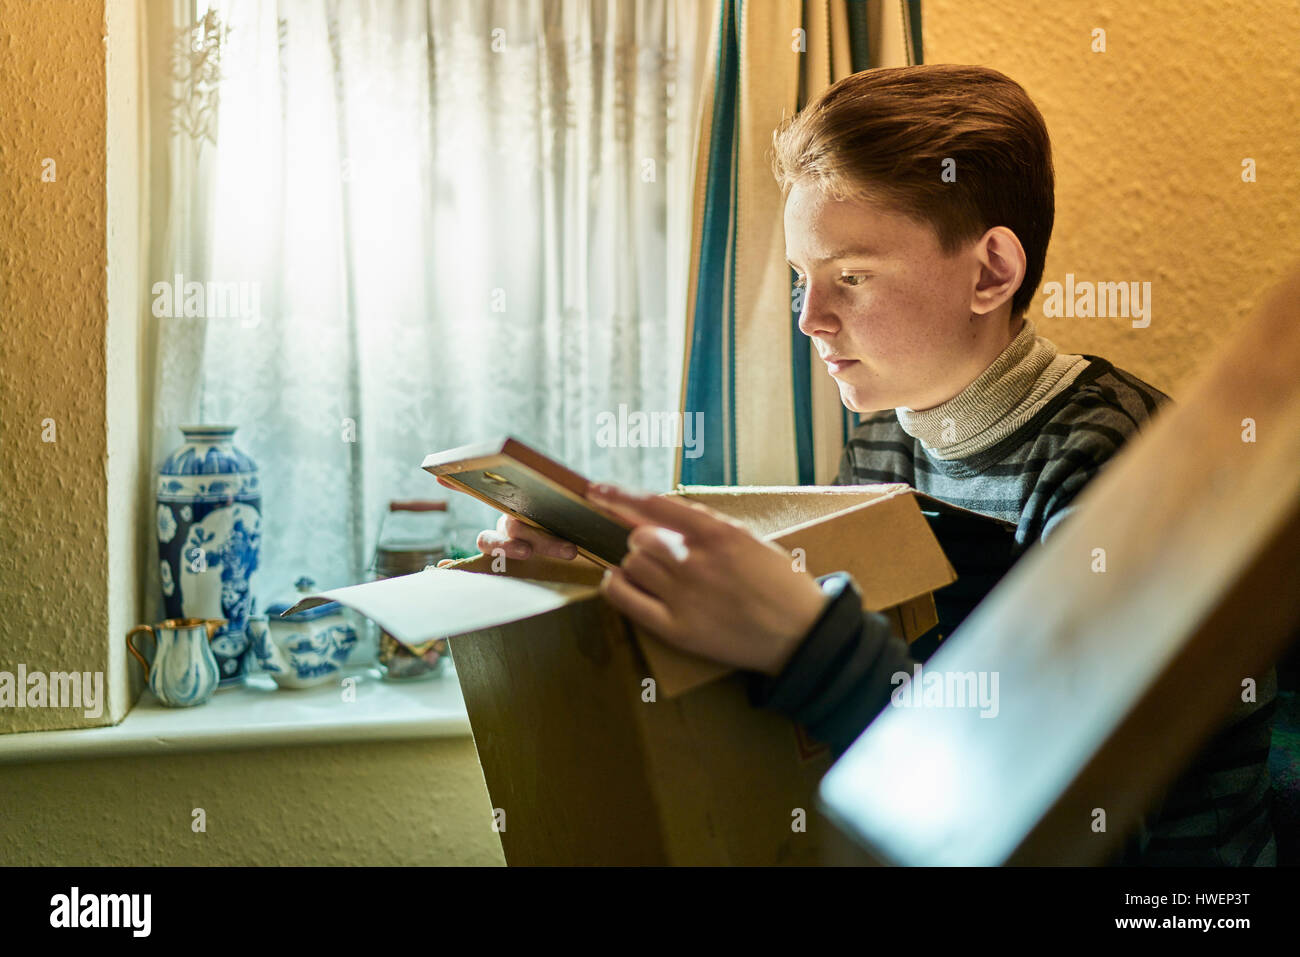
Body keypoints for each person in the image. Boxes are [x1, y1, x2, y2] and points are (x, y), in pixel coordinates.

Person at [442, 64, 1276, 867]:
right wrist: (604, 579)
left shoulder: (1110, 460)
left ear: (992, 271)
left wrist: (810, 644)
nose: (811, 319)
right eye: (804, 277)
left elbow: (1083, 825)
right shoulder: (887, 440)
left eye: (852, 277)